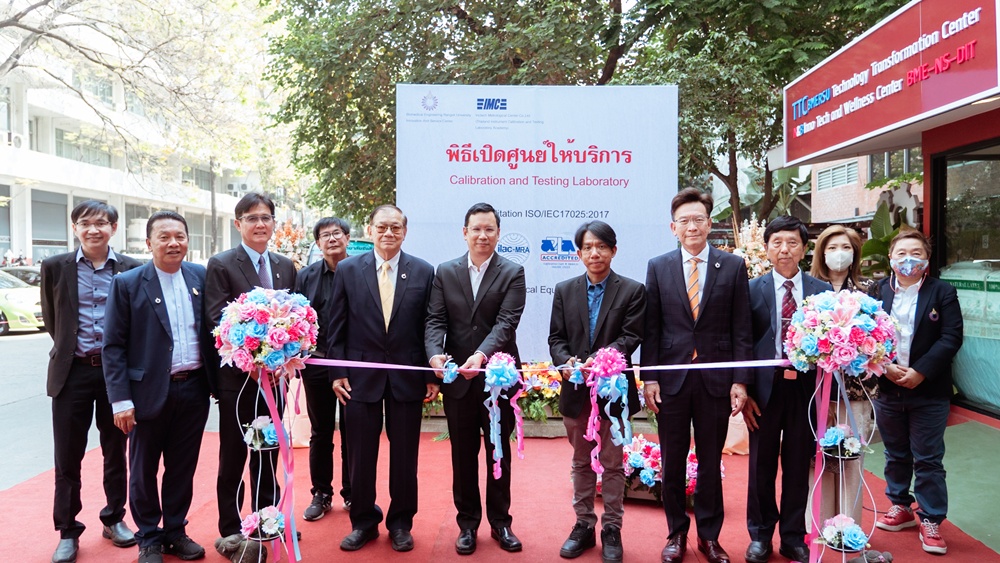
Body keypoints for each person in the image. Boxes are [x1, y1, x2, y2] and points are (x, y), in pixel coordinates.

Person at [640, 188, 752, 563]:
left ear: (709, 223)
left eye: (698, 219)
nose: (692, 227)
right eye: (684, 220)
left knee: (709, 462)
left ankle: (709, 537)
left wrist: (740, 380)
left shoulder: (732, 266)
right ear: (673, 227)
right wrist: (650, 378)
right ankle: (675, 533)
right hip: (671, 381)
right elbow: (651, 328)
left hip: (715, 380)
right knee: (672, 461)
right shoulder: (659, 266)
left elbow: (741, 328)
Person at [102, 212, 212, 563]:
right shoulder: (128, 283)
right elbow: (113, 346)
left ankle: (175, 532)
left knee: (182, 468)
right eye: (164, 237)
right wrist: (120, 400)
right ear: (149, 243)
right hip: (146, 394)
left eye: (180, 236)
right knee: (143, 470)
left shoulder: (199, 276)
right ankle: (148, 537)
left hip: (193, 388)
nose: (173, 243)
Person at [327, 204, 436, 552]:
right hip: (359, 378)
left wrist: (431, 375)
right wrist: (338, 372)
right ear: (370, 229)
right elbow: (336, 325)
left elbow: (430, 327)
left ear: (405, 231)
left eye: (395, 227)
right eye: (382, 227)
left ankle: (401, 523)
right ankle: (363, 522)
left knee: (405, 458)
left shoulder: (423, 271)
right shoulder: (348, 269)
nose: (389, 233)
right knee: (360, 456)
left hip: (407, 377)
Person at [40, 200, 141, 563]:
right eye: (85, 223)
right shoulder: (55, 266)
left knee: (116, 451)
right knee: (67, 456)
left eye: (101, 223)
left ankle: (114, 518)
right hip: (73, 373)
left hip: (116, 374)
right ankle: (68, 530)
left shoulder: (132, 268)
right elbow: (53, 319)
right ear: (75, 228)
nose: (93, 229)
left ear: (113, 227)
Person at [426, 202, 527, 556]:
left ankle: (501, 522)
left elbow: (505, 323)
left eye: (489, 229)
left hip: (497, 379)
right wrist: (434, 355)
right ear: (465, 232)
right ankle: (467, 524)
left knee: (498, 453)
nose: (482, 235)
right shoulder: (446, 271)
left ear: (498, 234)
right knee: (463, 455)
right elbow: (435, 320)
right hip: (458, 380)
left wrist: (481, 355)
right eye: (476, 229)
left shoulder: (513, 272)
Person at [204, 192, 298, 548]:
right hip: (238, 381)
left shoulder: (285, 265)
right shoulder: (222, 264)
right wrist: (254, 360)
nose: (260, 224)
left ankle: (266, 520)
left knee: (267, 451)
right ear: (238, 223)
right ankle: (231, 527)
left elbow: (291, 319)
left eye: (266, 217)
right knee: (234, 454)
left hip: (275, 380)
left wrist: (283, 357)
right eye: (252, 218)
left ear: (274, 222)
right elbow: (217, 321)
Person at [549, 220, 645, 563]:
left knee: (613, 464)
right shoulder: (564, 290)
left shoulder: (632, 290)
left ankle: (612, 529)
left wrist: (601, 360)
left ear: (613, 250)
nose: (595, 253)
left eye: (601, 246)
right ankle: (584, 526)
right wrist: (567, 362)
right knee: (581, 462)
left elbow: (631, 337)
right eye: (588, 247)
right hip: (577, 392)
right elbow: (556, 339)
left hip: (613, 393)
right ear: (579, 253)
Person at [742, 216, 832, 563]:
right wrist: (746, 389)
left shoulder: (822, 291)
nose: (784, 249)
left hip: (805, 390)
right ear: (766, 248)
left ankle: (793, 536)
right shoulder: (751, 289)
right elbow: (742, 340)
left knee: (797, 465)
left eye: (792, 242)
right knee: (760, 466)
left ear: (804, 249)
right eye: (777, 242)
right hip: (764, 390)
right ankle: (760, 535)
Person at [873, 230, 963, 555]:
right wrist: (885, 366)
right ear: (890, 258)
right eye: (901, 253)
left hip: (929, 391)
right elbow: (866, 334)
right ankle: (900, 505)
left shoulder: (943, 292)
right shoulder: (877, 290)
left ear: (927, 259)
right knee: (895, 452)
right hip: (888, 386)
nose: (908, 259)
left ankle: (931, 518)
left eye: (916, 253)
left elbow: (951, 337)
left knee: (928, 458)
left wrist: (920, 371)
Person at [809, 225, 879, 526]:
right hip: (816, 390)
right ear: (822, 252)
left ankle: (849, 531)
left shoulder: (869, 291)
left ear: (855, 253)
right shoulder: (809, 288)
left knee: (851, 458)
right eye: (833, 247)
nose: (839, 254)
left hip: (855, 389)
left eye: (846, 247)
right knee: (819, 458)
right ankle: (818, 527)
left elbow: (879, 339)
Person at [294, 217, 353, 520]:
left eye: (337, 233)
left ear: (347, 238)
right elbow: (296, 317)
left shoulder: (360, 271)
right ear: (318, 243)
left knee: (353, 430)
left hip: (352, 365)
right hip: (317, 363)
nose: (332, 239)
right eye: (325, 235)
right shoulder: (305, 276)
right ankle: (321, 492)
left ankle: (353, 492)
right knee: (321, 431)